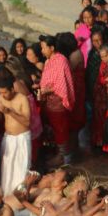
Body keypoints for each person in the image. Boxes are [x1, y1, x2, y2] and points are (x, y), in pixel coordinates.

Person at [38, 35, 75, 164]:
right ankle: (59, 154)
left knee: (60, 128)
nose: (42, 51)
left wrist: (46, 90)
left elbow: (61, 83)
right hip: (49, 101)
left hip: (58, 101)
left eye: (43, 48)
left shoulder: (60, 60)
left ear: (52, 48)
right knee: (54, 127)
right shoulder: (49, 61)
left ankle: (64, 157)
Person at [0, 74, 31, 195]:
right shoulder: (1, 97)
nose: (3, 95)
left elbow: (27, 122)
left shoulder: (22, 99)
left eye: (5, 92)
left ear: (12, 89)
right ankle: (6, 198)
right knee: (6, 170)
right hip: (8, 138)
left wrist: (10, 111)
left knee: (21, 170)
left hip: (22, 138)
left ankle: (20, 198)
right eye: (0, 92)